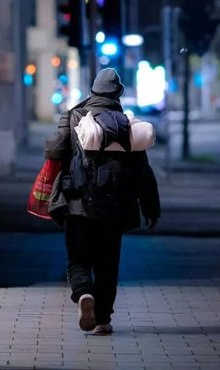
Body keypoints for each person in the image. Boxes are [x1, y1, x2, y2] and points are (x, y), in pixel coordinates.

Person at [44, 68, 161, 334]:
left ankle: (84, 292)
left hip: (78, 203)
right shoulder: (127, 126)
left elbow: (54, 150)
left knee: (78, 257)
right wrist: (151, 207)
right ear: (118, 94)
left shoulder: (75, 116)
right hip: (116, 208)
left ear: (93, 91)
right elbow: (144, 172)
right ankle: (103, 319)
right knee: (109, 264)